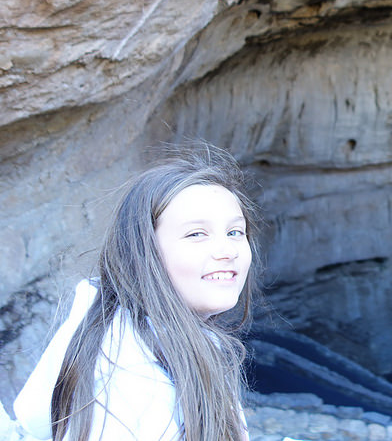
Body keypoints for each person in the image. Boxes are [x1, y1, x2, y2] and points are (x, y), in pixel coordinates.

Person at [13, 143, 260, 441]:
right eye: (196, 234)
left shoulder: (125, 325)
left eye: (235, 232)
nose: (226, 250)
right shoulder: (128, 371)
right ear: (143, 251)